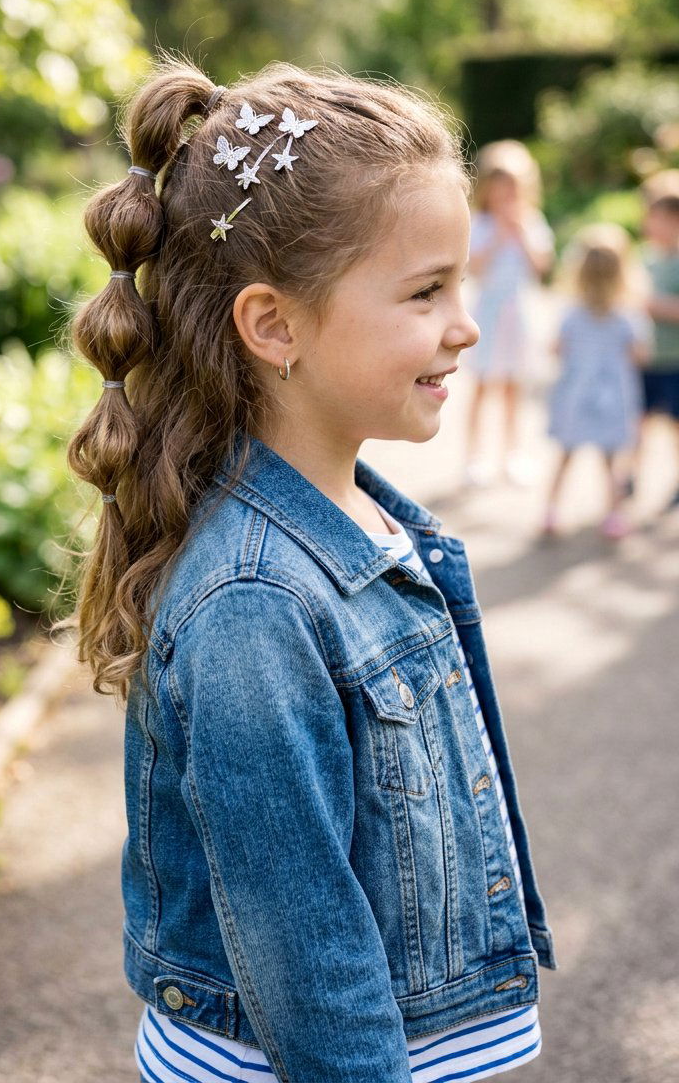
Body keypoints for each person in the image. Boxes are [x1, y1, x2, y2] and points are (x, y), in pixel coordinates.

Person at [65, 57, 556, 1083]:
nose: (463, 325)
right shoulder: (254, 599)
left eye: (457, 284)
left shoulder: (367, 515)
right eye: (424, 291)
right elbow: (303, 951)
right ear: (272, 325)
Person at [541, 224, 650, 539]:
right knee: (611, 461)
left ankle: (551, 510)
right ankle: (614, 514)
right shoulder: (628, 315)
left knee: (565, 455)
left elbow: (555, 349)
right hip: (612, 398)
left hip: (576, 394)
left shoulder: (572, 314)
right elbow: (641, 355)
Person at [463, 142, 555, 487]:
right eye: (500, 186)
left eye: (513, 187)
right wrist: (500, 236)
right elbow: (475, 269)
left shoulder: (532, 221)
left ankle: (513, 454)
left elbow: (542, 268)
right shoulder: (480, 223)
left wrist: (521, 235)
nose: (507, 194)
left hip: (519, 315)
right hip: (488, 312)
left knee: (514, 386)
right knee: (483, 384)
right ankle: (474, 457)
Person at [635, 191, 679, 510]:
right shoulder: (645, 259)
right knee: (639, 421)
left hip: (674, 360)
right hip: (645, 358)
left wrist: (655, 306)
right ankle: (630, 476)